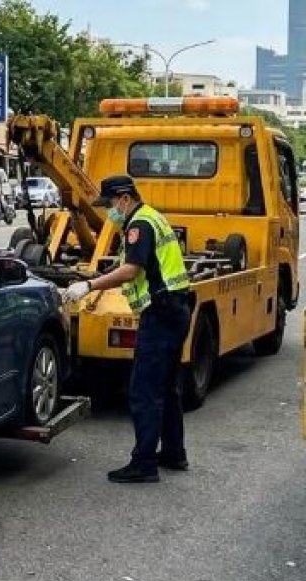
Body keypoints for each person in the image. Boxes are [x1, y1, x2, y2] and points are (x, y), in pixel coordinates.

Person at [64, 175, 192, 484]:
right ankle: (174, 453)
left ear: (124, 198)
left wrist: (89, 286)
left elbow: (131, 270)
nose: (109, 211)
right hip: (177, 309)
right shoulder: (152, 217)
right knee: (167, 387)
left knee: (144, 390)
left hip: (161, 314)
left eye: (109, 204)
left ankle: (144, 463)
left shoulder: (140, 224)